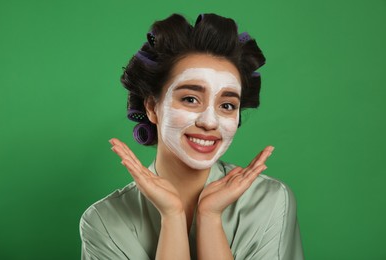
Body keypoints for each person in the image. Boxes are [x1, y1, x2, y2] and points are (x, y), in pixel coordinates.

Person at [80, 13, 304, 260]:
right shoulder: (104, 222)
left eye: (227, 105)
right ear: (152, 107)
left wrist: (210, 217)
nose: (210, 122)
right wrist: (172, 216)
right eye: (190, 99)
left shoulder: (269, 202)